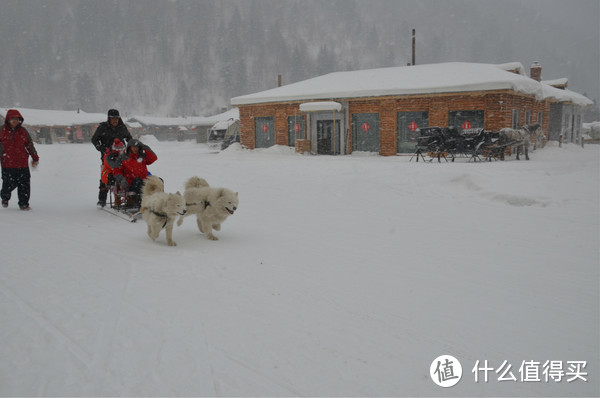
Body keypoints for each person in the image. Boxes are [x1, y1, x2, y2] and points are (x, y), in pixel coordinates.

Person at [0, 109, 39, 210]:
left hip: (22, 163)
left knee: (24, 184)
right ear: (8, 120)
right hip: (7, 163)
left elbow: (29, 144)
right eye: (12, 119)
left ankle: (24, 204)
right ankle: (5, 197)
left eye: (17, 119)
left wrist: (34, 157)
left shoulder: (23, 131)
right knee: (8, 183)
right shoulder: (1, 130)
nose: (15, 121)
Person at [92, 109, 132, 207]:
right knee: (105, 176)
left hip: (121, 156)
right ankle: (102, 199)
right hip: (107, 156)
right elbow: (94, 139)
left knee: (124, 174)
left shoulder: (122, 127)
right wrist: (100, 148)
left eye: (117, 119)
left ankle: (126, 197)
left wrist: (130, 149)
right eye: (113, 119)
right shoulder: (102, 127)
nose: (115, 121)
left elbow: (129, 139)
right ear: (109, 119)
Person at [121, 139, 157, 206]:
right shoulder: (124, 158)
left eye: (137, 147)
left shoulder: (142, 157)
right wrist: (122, 180)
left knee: (158, 181)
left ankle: (157, 203)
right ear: (129, 148)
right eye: (133, 147)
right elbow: (118, 171)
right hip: (130, 183)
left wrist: (145, 148)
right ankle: (139, 203)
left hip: (144, 181)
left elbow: (153, 158)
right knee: (138, 181)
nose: (135, 149)